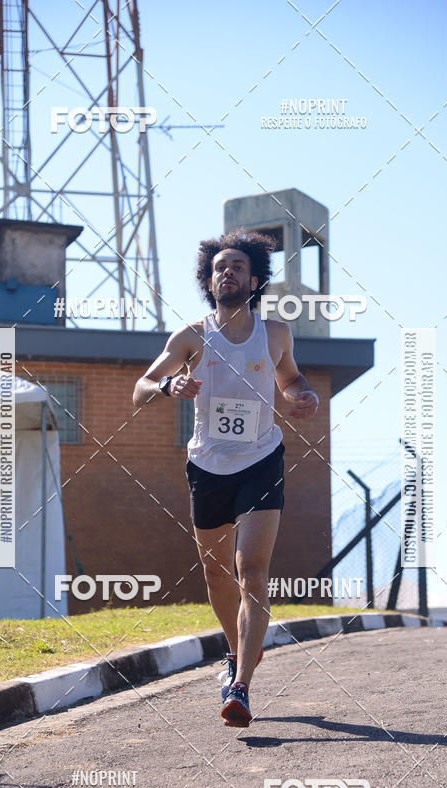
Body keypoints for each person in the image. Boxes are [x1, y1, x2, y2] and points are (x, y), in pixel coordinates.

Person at [133, 229, 318, 726]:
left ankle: (240, 688)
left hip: (261, 460)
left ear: (254, 279)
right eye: (219, 268)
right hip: (207, 467)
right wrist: (171, 384)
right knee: (216, 573)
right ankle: (238, 651)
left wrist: (303, 395)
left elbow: (290, 378)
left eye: (236, 266)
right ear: (208, 281)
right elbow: (139, 388)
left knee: (250, 571)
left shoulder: (274, 333)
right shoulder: (191, 337)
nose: (227, 272)